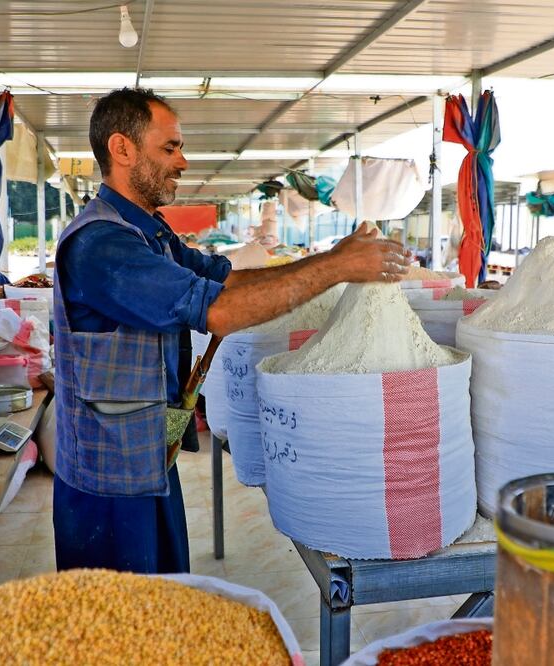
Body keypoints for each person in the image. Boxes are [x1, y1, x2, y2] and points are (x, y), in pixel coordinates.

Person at [53, 87, 411, 575]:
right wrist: (336, 268)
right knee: (120, 626)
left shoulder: (148, 233)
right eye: (170, 147)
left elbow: (224, 278)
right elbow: (218, 310)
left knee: (164, 602)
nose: (182, 162)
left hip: (147, 452)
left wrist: (332, 259)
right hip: (109, 479)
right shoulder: (102, 244)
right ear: (122, 149)